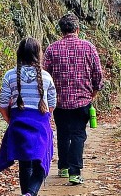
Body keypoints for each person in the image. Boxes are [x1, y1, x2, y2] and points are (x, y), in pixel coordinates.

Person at [0, 38, 56, 196]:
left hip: (18, 123)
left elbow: (2, 104)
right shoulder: (46, 77)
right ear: (38, 54)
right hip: (40, 124)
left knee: (25, 164)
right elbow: (51, 105)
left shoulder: (10, 75)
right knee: (42, 164)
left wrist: (11, 120)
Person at [43, 12, 103, 185]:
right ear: (77, 29)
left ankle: (63, 167)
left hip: (59, 102)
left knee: (62, 133)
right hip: (82, 100)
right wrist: (94, 92)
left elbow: (44, 74)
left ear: (61, 30)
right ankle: (75, 172)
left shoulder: (52, 49)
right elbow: (97, 74)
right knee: (78, 134)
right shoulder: (88, 47)